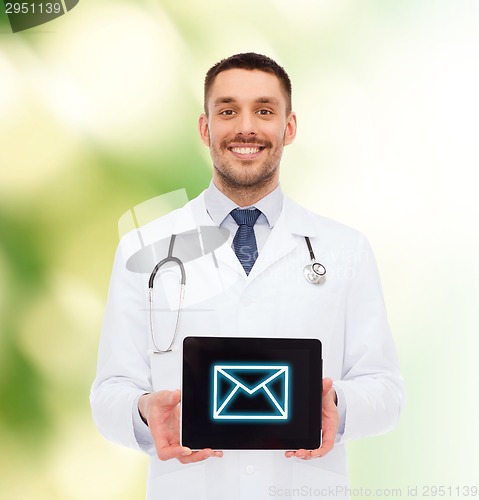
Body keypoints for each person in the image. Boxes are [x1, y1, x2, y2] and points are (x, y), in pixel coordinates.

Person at [91, 52, 405, 500]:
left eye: (264, 110)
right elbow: (109, 393)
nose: (246, 128)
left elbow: (386, 389)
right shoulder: (145, 249)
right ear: (205, 128)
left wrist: (339, 408)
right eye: (227, 111)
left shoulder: (345, 249)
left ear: (289, 127)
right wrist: (143, 412)